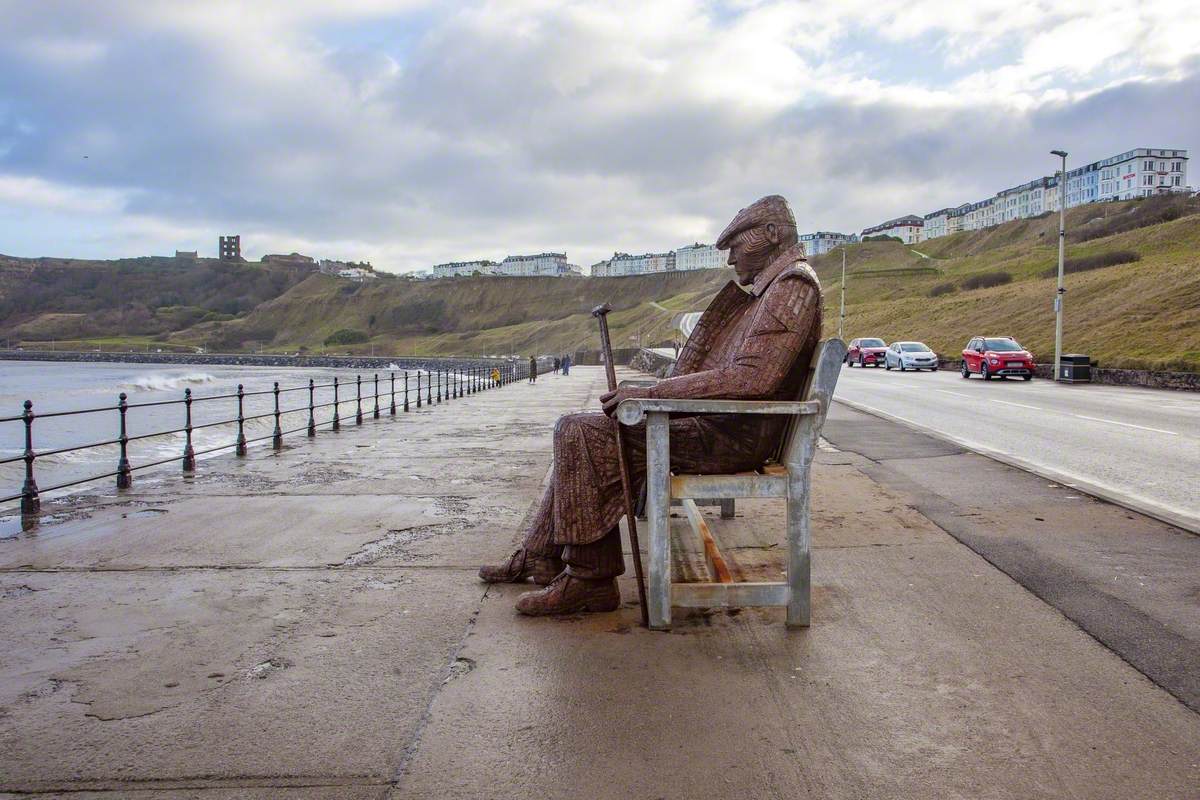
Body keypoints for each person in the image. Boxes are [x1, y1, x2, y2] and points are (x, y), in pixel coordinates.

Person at [480, 195, 822, 615]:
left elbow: (754, 378)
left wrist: (651, 395)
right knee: (579, 430)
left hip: (730, 437)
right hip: (720, 425)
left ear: (771, 235)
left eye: (736, 244)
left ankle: (590, 578)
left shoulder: (792, 287)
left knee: (581, 431)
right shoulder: (774, 289)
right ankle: (539, 553)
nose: (731, 257)